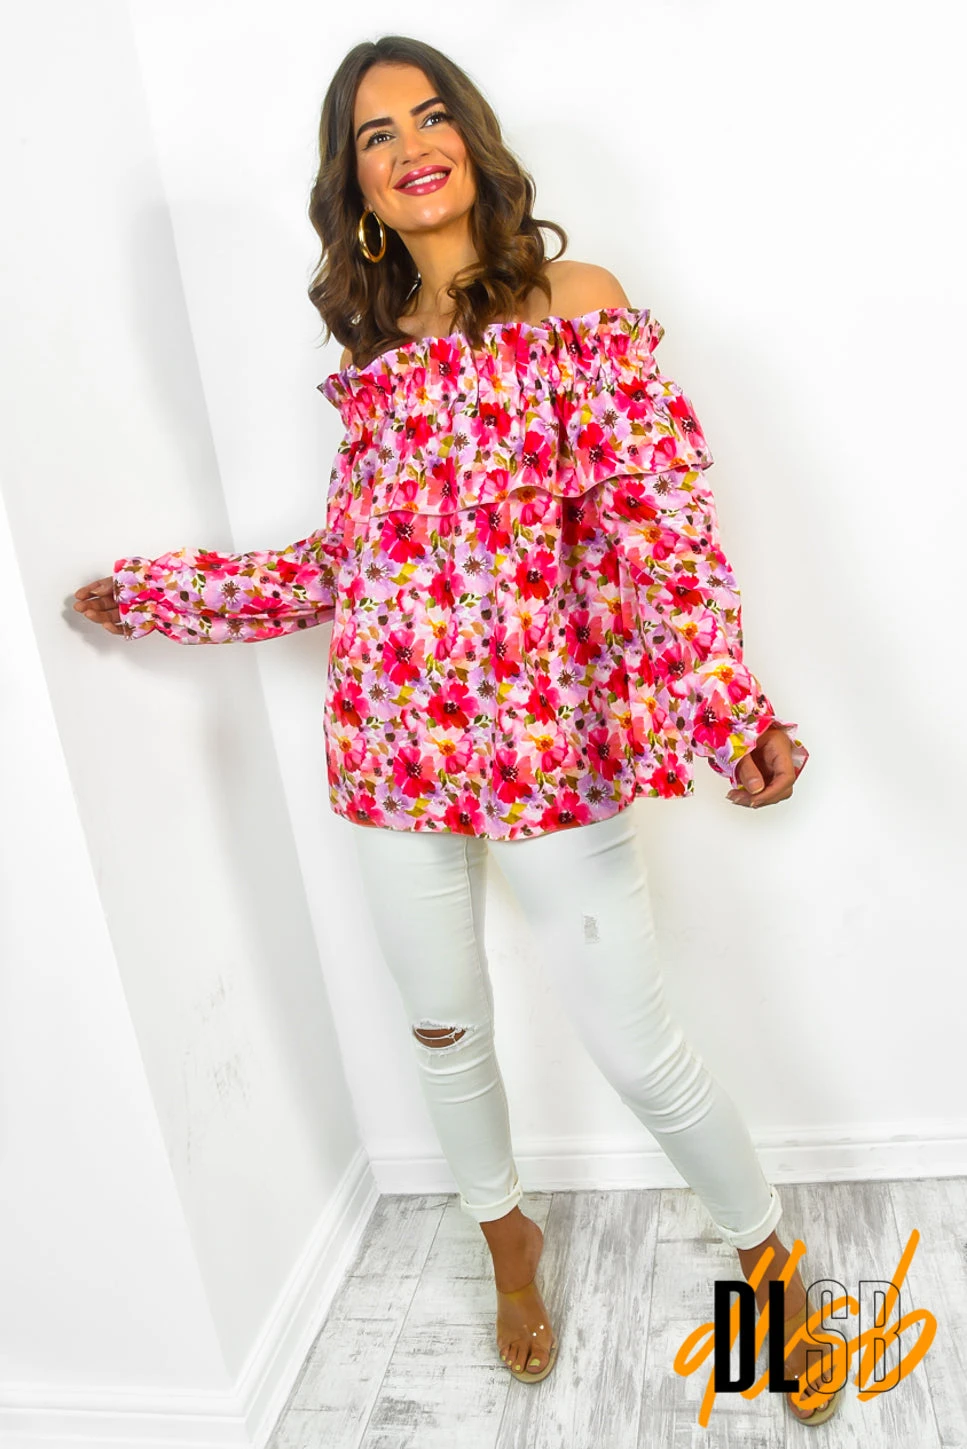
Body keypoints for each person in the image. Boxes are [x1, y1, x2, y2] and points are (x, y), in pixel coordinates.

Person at [74, 35, 841, 1424]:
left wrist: (731, 710)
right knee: (444, 1029)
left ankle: (766, 1263)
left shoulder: (578, 304)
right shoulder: (373, 357)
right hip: (391, 751)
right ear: (356, 187)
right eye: (376, 135)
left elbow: (660, 533)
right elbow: (343, 567)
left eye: (429, 117)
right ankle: (507, 1241)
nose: (410, 145)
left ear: (473, 142)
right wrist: (162, 595)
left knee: (636, 1045)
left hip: (550, 752)